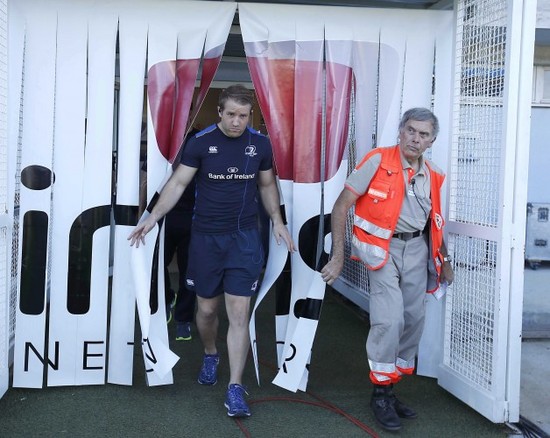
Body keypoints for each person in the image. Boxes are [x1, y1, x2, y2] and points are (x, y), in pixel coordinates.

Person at [129, 84, 295, 418]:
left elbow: (266, 185)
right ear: (220, 112)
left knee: (238, 313)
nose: (237, 122)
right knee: (206, 312)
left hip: (244, 239)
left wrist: (278, 220)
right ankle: (209, 353)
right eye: (231, 114)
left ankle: (235, 386)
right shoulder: (201, 142)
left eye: (244, 116)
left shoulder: (260, 144)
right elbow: (177, 184)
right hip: (206, 239)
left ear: (251, 116)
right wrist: (152, 217)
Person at [321, 108, 454, 432]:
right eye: (411, 130)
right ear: (400, 131)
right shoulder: (377, 161)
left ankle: (391, 388)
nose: (415, 138)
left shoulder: (434, 174)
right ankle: (380, 393)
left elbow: (433, 224)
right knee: (389, 319)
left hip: (417, 251)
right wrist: (338, 257)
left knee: (413, 320)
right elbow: (340, 208)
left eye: (423, 134)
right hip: (382, 251)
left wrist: (444, 260)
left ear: (432, 141)